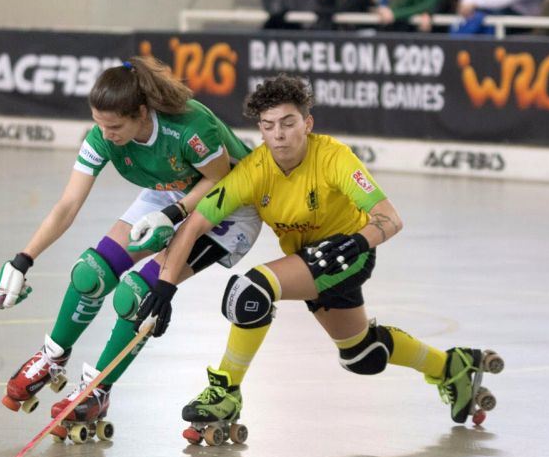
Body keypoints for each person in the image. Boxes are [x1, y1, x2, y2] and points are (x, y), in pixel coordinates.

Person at [135, 74, 504, 438]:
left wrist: (359, 242)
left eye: (288, 123)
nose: (278, 134)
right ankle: (450, 366)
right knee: (363, 355)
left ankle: (226, 391)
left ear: (307, 124)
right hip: (309, 262)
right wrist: (166, 287)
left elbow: (390, 218)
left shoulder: (333, 158)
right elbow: (194, 224)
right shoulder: (253, 171)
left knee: (250, 291)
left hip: (349, 255)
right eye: (268, 126)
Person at [0, 56, 261, 430]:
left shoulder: (190, 126)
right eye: (99, 124)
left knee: (136, 294)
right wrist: (24, 258)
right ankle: (52, 356)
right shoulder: (103, 135)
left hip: (228, 204)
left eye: (115, 126)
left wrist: (174, 214)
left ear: (142, 113)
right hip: (170, 192)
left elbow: (220, 181)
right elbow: (68, 204)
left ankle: (99, 389)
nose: (106, 133)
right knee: (92, 273)